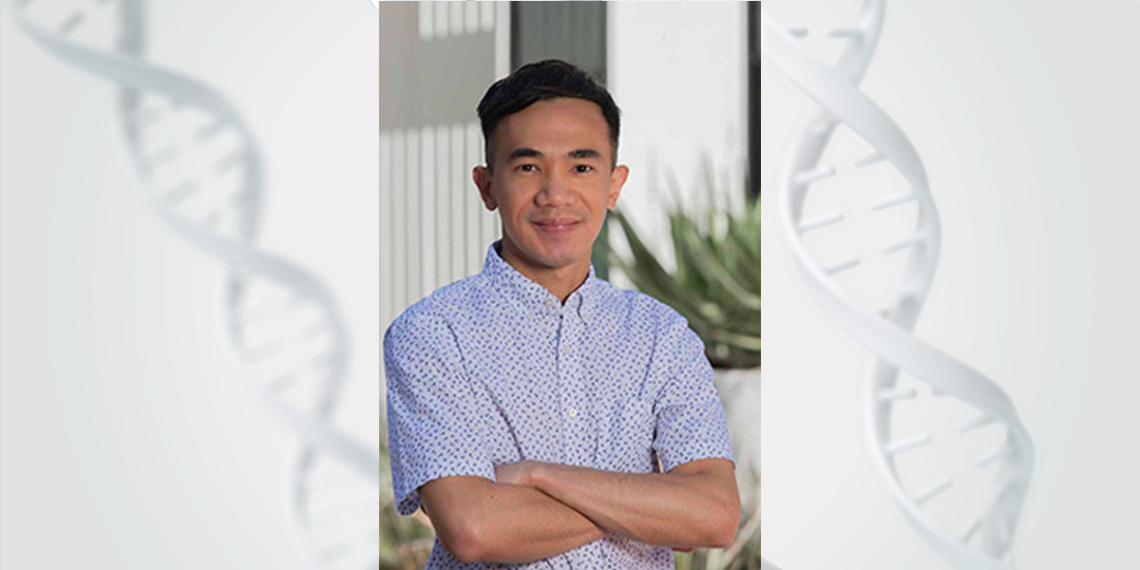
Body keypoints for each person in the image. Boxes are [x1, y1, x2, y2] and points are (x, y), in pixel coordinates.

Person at [383, 58, 740, 568]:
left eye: (581, 166)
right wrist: (655, 505)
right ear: (487, 186)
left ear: (614, 184)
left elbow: (716, 516)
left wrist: (535, 476)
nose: (555, 194)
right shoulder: (432, 335)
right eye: (528, 166)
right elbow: (475, 529)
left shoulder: (663, 337)